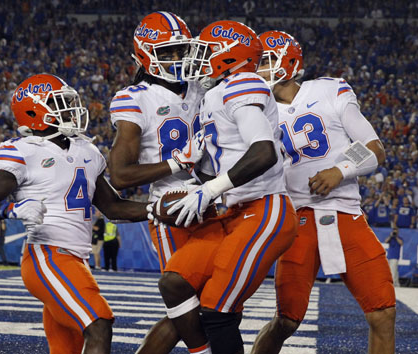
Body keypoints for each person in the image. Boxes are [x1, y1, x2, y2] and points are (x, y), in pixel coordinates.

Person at [0, 74, 148, 354]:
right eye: (60, 102)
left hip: (77, 259)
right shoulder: (22, 151)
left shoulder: (87, 149)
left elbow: (114, 207)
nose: (70, 108)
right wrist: (12, 209)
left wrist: (158, 209)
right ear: (34, 111)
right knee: (98, 324)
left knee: (67, 349)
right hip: (47, 255)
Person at [154, 21, 298, 354]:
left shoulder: (242, 83)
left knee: (218, 310)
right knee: (174, 283)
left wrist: (211, 188)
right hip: (232, 212)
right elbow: (223, 163)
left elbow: (263, 151)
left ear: (227, 56)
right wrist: (195, 183)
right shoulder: (215, 93)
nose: (196, 57)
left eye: (204, 50)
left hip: (265, 209)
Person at [251, 30, 395, 354]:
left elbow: (375, 147)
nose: (256, 69)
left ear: (287, 61)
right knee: (286, 320)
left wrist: (338, 171)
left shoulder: (330, 90)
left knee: (383, 312)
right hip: (296, 218)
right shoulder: (254, 110)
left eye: (264, 61)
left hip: (345, 213)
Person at [107, 12, 207, 354]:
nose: (178, 59)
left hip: (217, 201)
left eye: (181, 50)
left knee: (211, 303)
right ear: (146, 55)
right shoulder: (135, 99)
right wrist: (176, 162)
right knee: (188, 303)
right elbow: (120, 175)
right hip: (172, 208)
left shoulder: (205, 87)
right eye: (167, 53)